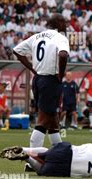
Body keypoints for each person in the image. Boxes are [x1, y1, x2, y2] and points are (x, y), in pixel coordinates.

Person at [13, 13, 69, 148]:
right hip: (50, 80)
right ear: (60, 23)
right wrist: (61, 75)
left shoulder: (37, 36)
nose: (66, 26)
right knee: (43, 120)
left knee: (53, 119)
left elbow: (17, 51)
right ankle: (32, 160)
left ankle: (59, 152)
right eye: (65, 23)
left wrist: (32, 69)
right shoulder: (60, 38)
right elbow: (63, 54)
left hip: (38, 80)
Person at [0, 142, 92, 178]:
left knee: (46, 154)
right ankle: (27, 157)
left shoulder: (91, 147)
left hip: (65, 152)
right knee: (43, 170)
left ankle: (25, 151)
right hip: (70, 170)